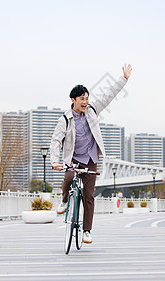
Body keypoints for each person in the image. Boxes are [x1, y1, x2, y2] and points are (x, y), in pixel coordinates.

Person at [50, 64, 132, 244]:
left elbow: (109, 95)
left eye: (87, 98)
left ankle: (87, 231)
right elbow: (56, 141)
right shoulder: (64, 119)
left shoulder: (93, 110)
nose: (85, 102)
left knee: (88, 196)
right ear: (73, 100)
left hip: (90, 159)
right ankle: (64, 200)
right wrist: (55, 161)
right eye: (82, 99)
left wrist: (123, 79)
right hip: (73, 158)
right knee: (68, 178)